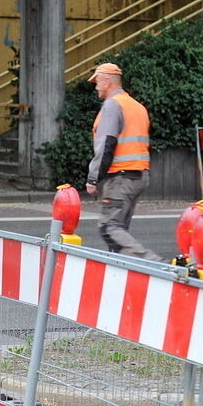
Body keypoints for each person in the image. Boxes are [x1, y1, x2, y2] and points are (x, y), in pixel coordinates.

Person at [84, 63, 161, 261]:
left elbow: (106, 144)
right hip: (138, 175)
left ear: (107, 80)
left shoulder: (112, 105)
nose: (95, 87)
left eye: (97, 81)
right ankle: (121, 271)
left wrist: (93, 178)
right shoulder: (136, 106)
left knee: (109, 227)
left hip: (121, 176)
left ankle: (153, 264)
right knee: (119, 229)